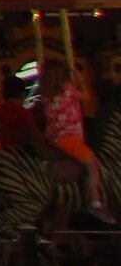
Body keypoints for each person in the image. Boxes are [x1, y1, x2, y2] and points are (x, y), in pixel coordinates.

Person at [43, 54, 107, 216]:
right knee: (93, 166)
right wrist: (79, 78)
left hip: (56, 138)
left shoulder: (46, 96)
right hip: (71, 138)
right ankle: (95, 202)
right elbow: (87, 96)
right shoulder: (68, 89)